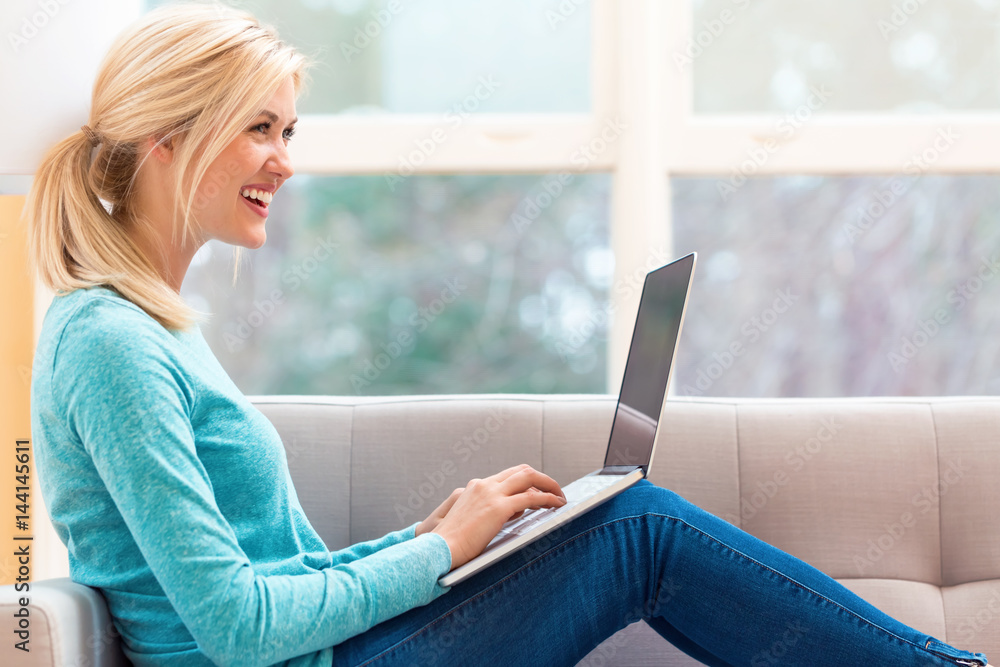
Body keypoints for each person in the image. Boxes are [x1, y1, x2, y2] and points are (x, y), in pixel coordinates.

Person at [24, 4, 992, 667]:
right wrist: (440, 551)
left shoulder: (151, 327)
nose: (284, 161)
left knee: (627, 517)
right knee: (640, 528)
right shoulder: (109, 341)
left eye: (290, 132)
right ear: (168, 138)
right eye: (260, 129)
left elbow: (270, 578)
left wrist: (427, 536)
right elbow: (235, 625)